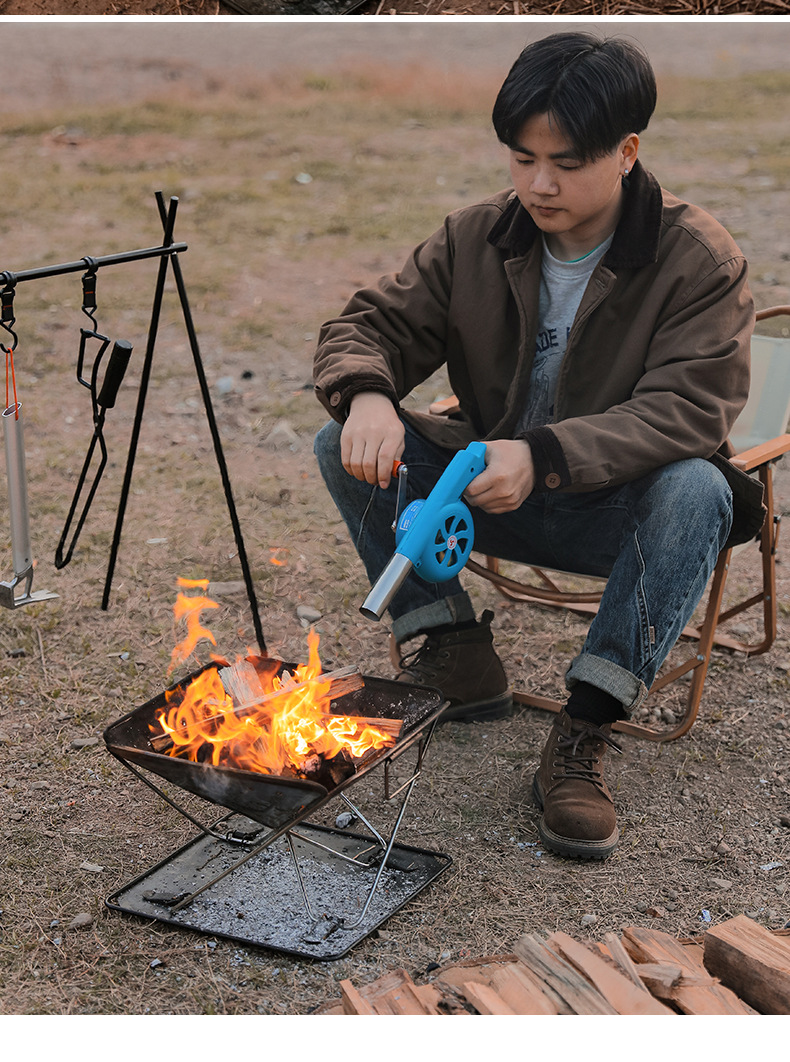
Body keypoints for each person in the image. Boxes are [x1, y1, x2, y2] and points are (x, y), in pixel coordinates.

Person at [312, 32, 761, 860]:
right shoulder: (478, 236)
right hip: (485, 499)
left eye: (566, 162)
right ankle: (453, 653)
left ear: (627, 152)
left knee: (700, 486)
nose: (539, 184)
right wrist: (370, 395)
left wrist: (545, 456)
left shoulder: (699, 260)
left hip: (618, 513)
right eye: (522, 159)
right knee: (337, 435)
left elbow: (689, 411)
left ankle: (584, 732)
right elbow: (367, 326)